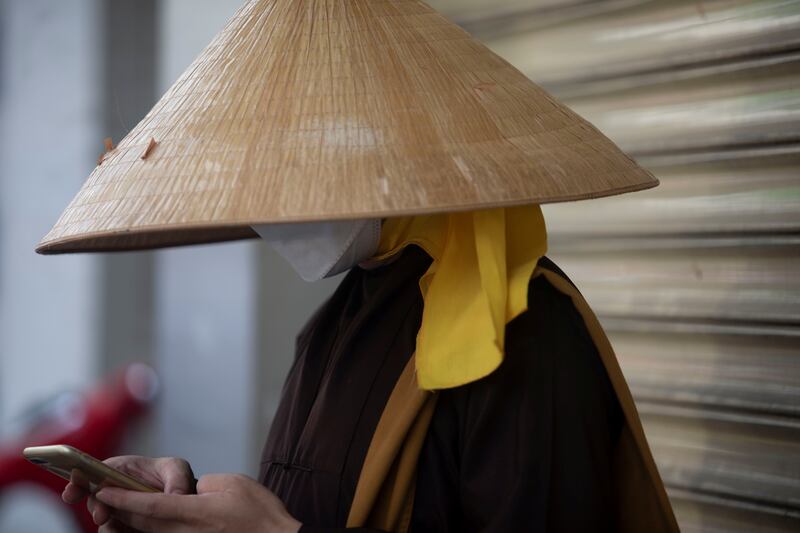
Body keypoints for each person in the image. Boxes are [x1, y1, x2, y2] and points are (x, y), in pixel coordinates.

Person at [43, 1, 678, 531]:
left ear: (394, 151)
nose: (273, 209)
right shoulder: (336, 320)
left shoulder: (524, 332)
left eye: (299, 165)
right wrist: (185, 500)